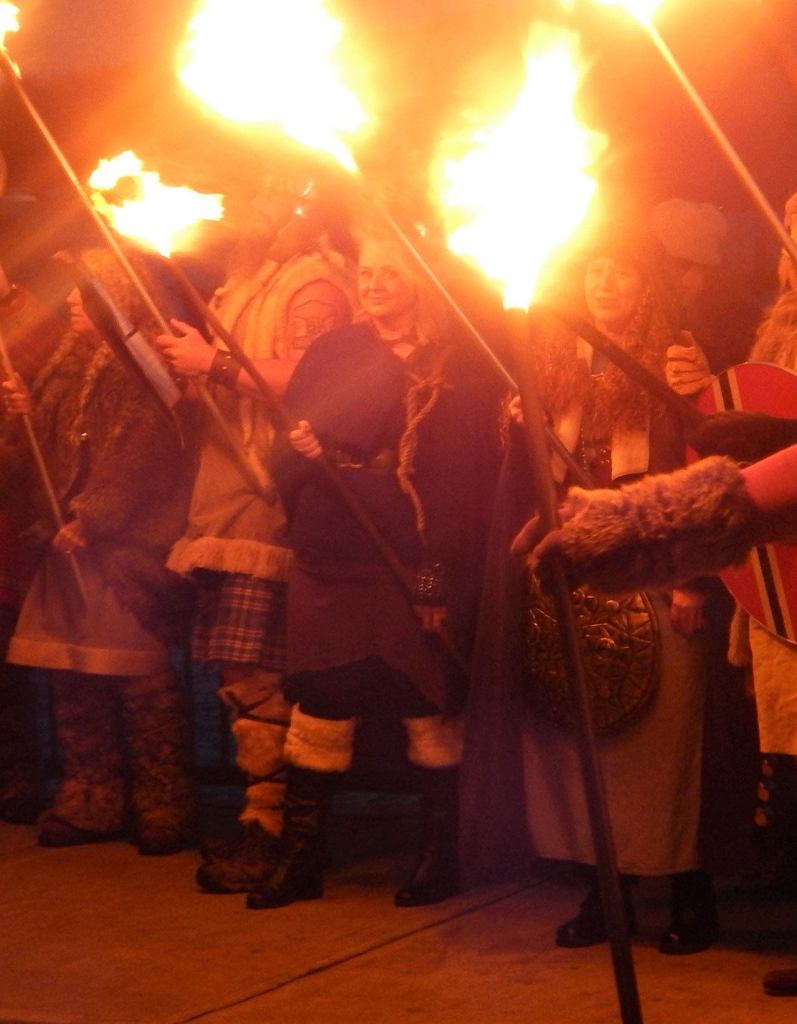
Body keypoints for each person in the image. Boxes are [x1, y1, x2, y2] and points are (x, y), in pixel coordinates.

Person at [463, 228, 752, 954]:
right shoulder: (554, 364)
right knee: (580, 745)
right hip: (578, 576)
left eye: (621, 271)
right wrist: (521, 428)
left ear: (646, 286)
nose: (605, 284)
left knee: (666, 747)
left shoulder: (673, 364)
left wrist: (691, 578)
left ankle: (688, 891)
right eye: (595, 270)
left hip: (658, 576)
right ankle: (606, 892)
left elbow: (700, 471)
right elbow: (537, 480)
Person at [244, 229, 500, 910]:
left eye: (391, 272)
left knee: (426, 705)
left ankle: (438, 857)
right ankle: (301, 858)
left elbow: (458, 490)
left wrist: (433, 585)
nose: (374, 284)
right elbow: (287, 448)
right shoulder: (335, 350)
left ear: (421, 281)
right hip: (331, 552)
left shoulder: (451, 364)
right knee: (320, 701)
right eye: (367, 272)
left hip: (411, 560)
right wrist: (303, 449)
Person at [154, 177, 357, 893]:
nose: (242, 207)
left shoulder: (313, 284)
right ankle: (261, 815)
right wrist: (179, 368)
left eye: (261, 192)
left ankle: (274, 827)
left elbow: (313, 377)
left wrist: (212, 363)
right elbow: (219, 382)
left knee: (259, 674)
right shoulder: (243, 283)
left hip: (265, 504)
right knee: (238, 676)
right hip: (222, 501)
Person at [0, 248, 196, 855]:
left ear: (116, 300)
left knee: (137, 678)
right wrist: (26, 417)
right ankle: (93, 793)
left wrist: (94, 514)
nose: (69, 302)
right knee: (74, 676)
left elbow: (145, 447)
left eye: (85, 292)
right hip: (66, 547)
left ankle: (162, 798)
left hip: (123, 552)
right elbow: (43, 452)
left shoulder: (141, 368)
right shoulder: (66, 366)